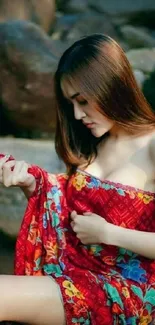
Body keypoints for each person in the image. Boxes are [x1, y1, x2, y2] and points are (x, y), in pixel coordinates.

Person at [0, 33, 155, 325]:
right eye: (70, 103)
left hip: (124, 290)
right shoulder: (94, 142)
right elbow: (67, 209)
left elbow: (98, 230)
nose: (76, 114)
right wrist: (32, 183)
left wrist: (109, 234)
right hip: (75, 274)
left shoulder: (152, 145)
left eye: (82, 101)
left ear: (112, 87)